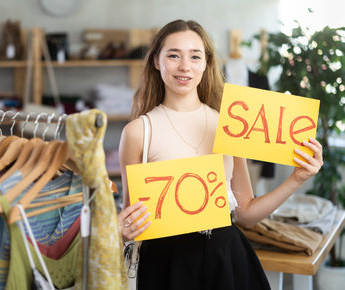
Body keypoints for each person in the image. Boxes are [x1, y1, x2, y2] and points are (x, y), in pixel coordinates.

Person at [117, 19, 323, 290]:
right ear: (156, 61)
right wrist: (121, 231)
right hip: (166, 266)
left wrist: (296, 179)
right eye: (173, 55)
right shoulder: (137, 132)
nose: (185, 66)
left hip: (228, 260)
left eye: (195, 56)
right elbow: (131, 220)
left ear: (206, 63)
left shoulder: (231, 125)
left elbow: (246, 214)